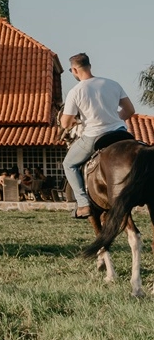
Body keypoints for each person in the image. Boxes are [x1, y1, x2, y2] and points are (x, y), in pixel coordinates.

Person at [60, 52, 136, 219]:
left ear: (74, 70)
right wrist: (115, 118)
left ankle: (83, 204)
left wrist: (75, 122)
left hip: (95, 135)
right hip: (121, 132)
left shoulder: (76, 91)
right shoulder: (113, 84)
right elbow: (130, 110)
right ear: (90, 66)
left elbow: (65, 123)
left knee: (68, 164)